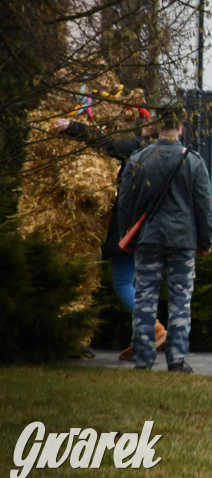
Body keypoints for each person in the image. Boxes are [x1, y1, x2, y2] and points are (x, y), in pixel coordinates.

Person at [52, 111, 166, 361]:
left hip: (132, 228)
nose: (143, 123)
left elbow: (110, 145)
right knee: (141, 284)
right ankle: (142, 342)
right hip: (157, 229)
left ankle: (153, 327)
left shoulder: (141, 148)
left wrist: (74, 126)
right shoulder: (167, 153)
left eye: (148, 121)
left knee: (123, 282)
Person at [118, 103, 212, 373]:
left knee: (145, 298)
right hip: (182, 241)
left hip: (147, 240)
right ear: (181, 128)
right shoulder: (193, 161)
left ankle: (142, 358)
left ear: (157, 127)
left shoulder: (139, 159)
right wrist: (205, 241)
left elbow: (125, 203)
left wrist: (127, 235)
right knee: (180, 301)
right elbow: (203, 205)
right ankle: (177, 358)